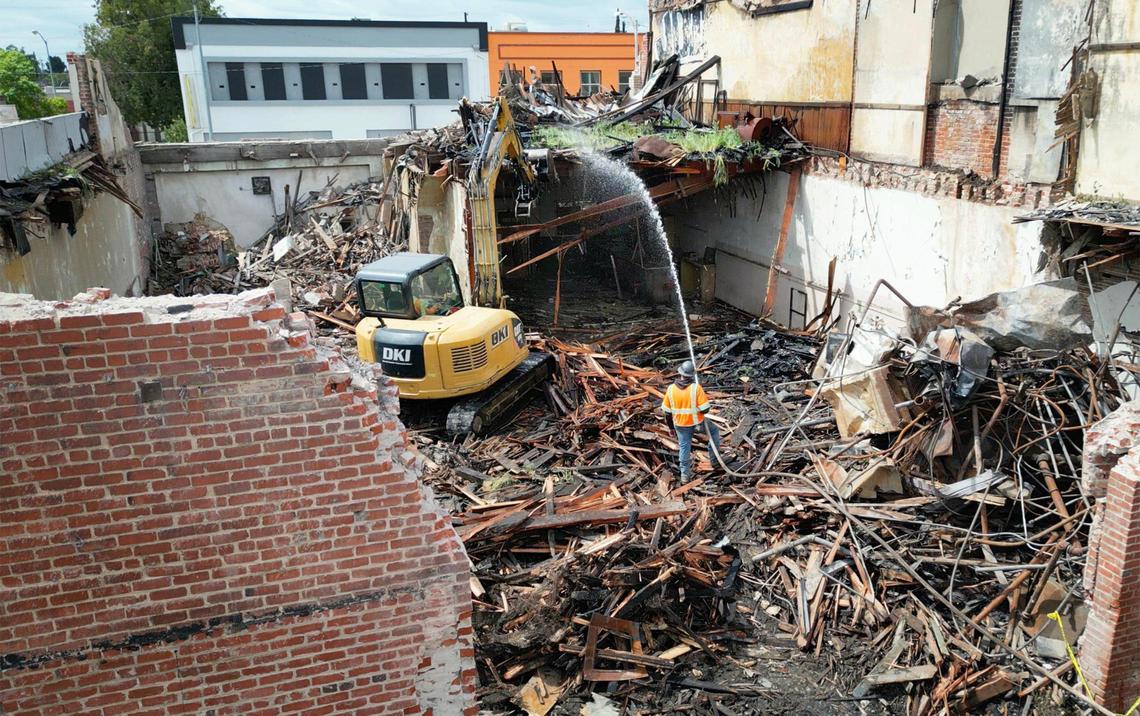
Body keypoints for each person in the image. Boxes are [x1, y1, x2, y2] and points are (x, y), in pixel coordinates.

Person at [661, 360, 721, 479]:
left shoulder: (671, 389)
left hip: (680, 426)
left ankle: (684, 475)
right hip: (697, 423)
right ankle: (714, 461)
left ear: (680, 373)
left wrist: (671, 428)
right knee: (714, 432)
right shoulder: (696, 388)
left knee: (684, 447)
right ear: (692, 375)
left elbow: (667, 413)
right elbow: (705, 410)